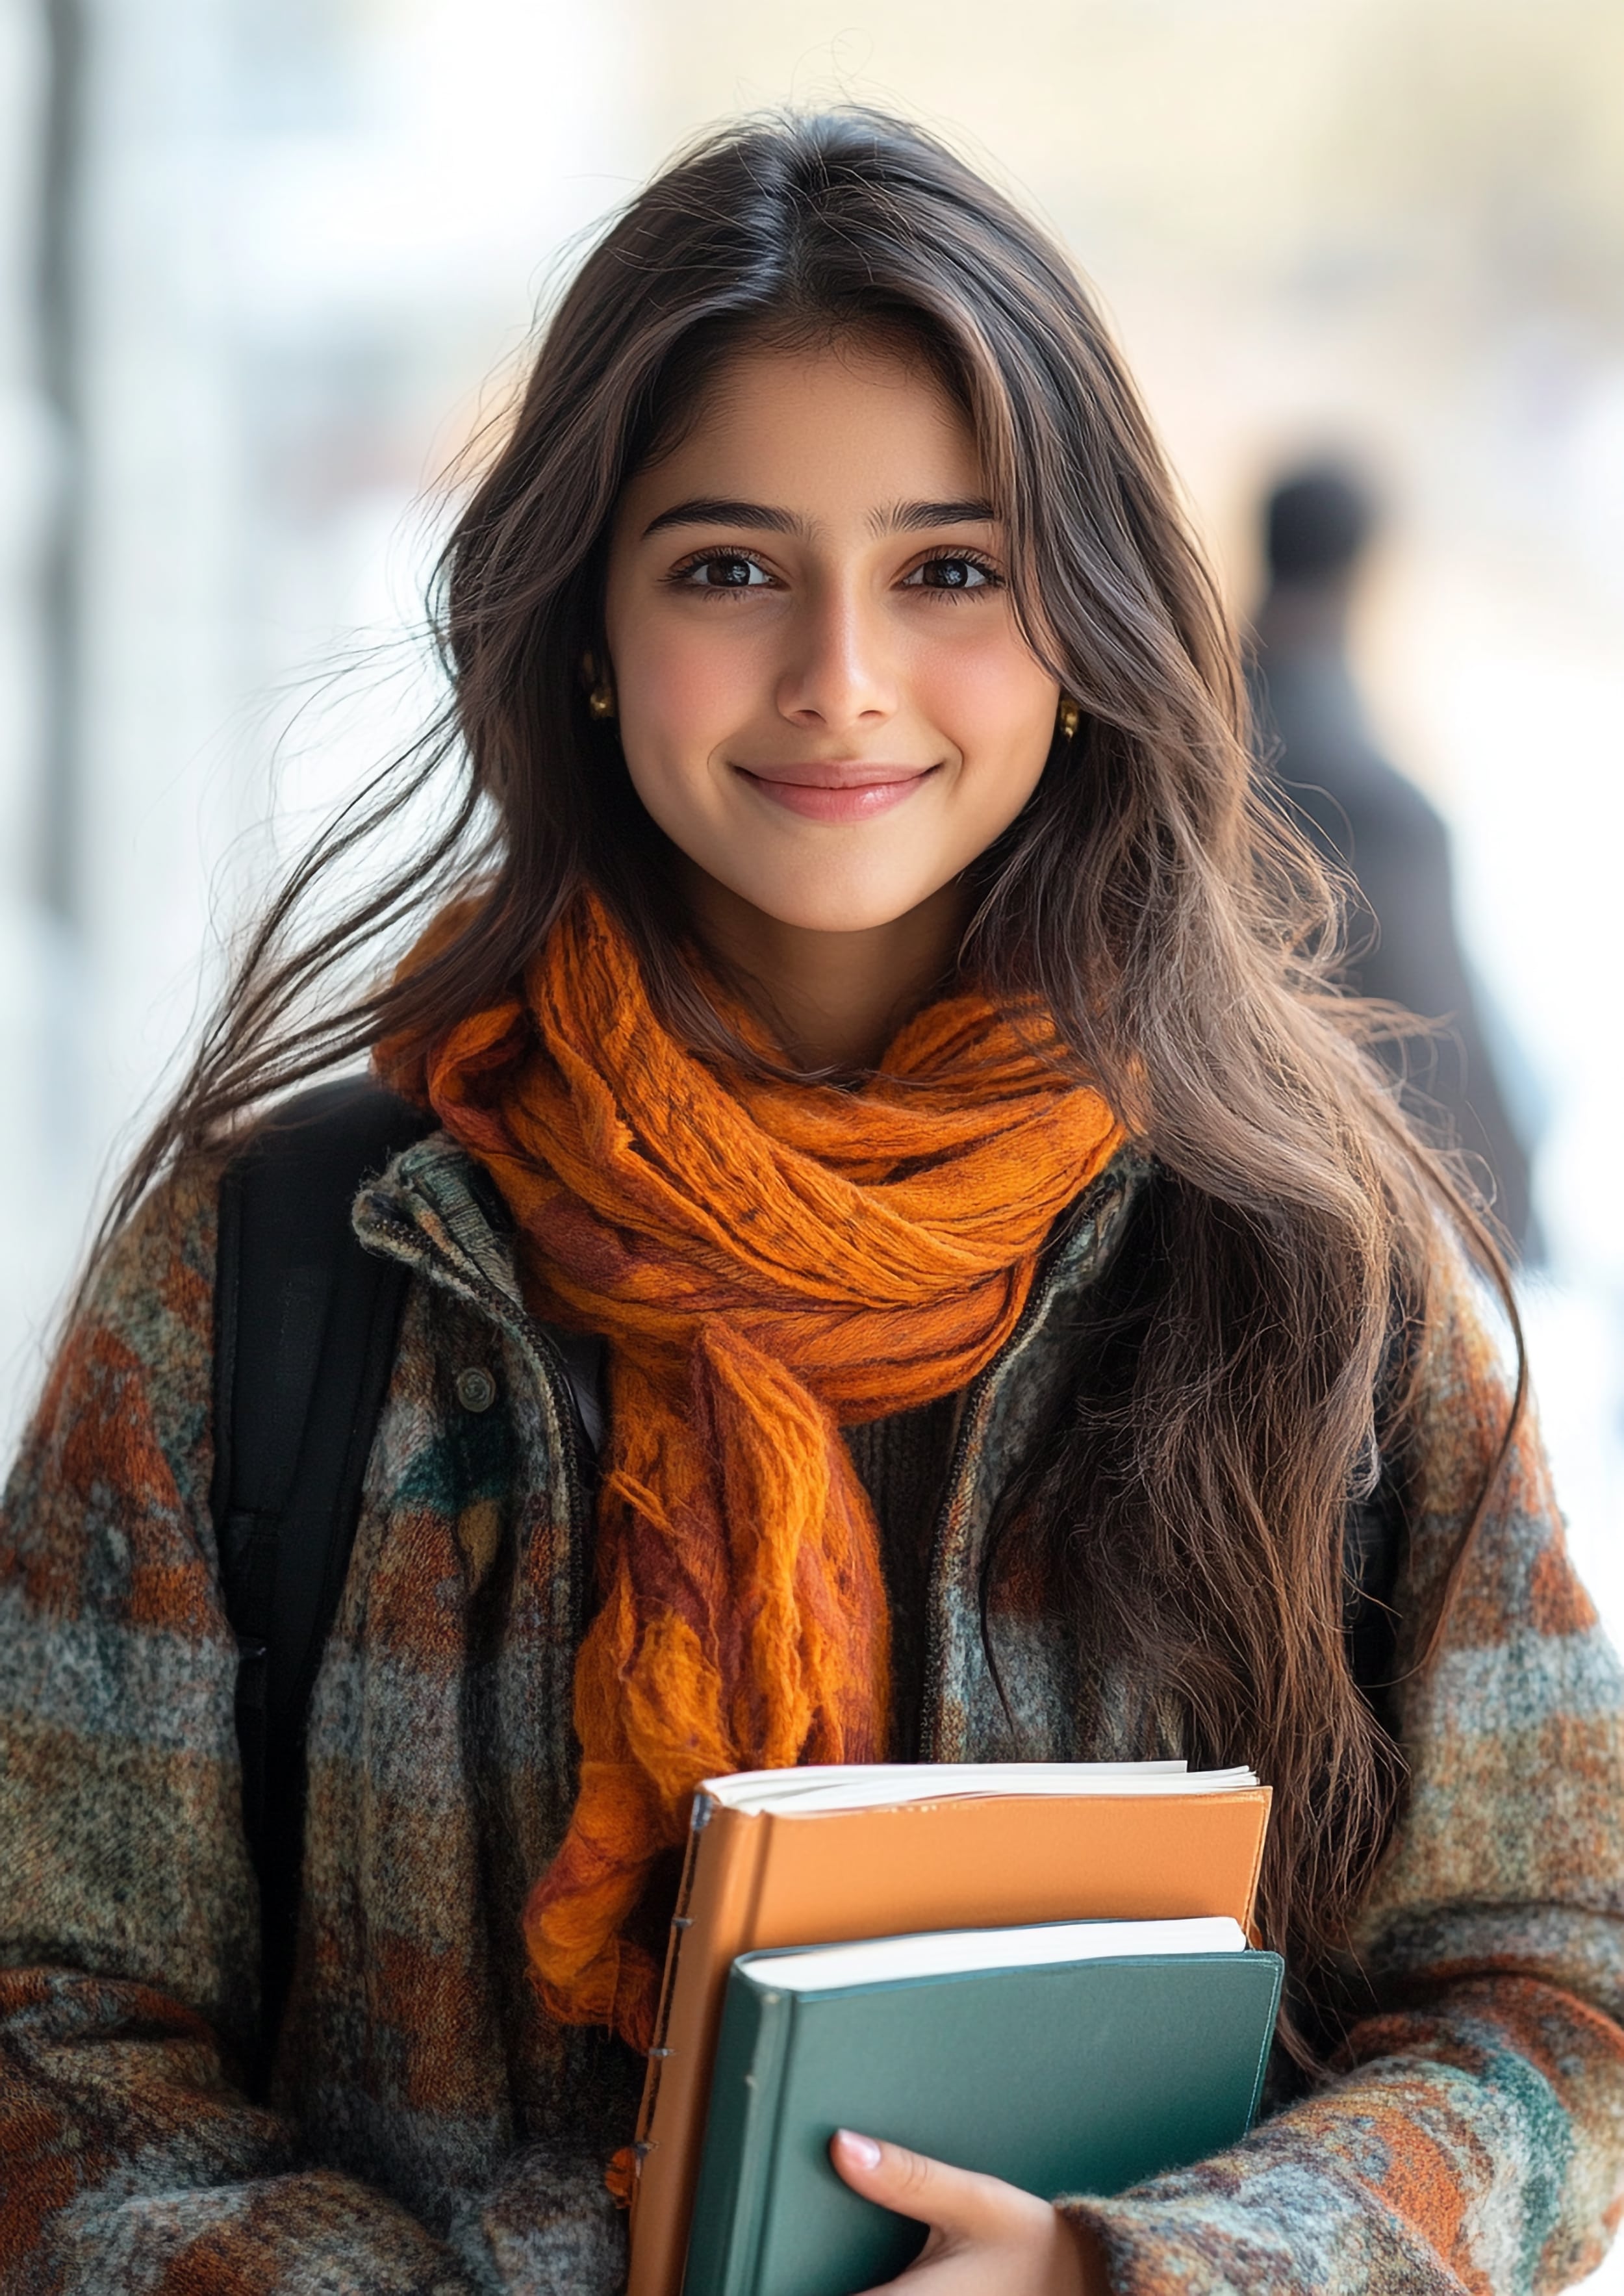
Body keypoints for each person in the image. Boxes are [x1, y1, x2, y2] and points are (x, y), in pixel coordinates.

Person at [3, 110, 1620, 2296]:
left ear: (1084, 629)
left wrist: (1125, 2272)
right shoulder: (279, 1264)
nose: (840, 674)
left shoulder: (1303, 1272)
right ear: (583, 619)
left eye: (950, 569)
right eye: (729, 566)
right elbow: (46, 2015)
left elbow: (1563, 1988)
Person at [1249, 462, 1540, 1255]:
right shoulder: (1375, 807)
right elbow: (1435, 1049)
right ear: (1361, 568)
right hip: (1364, 1224)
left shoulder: (1198, 713)